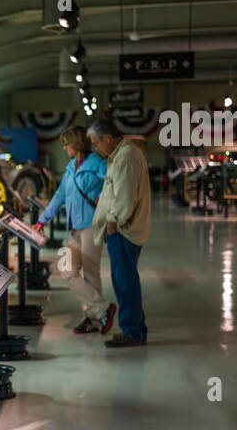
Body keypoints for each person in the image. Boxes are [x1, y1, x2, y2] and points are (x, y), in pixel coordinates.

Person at [36, 126, 113, 334]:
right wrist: (42, 220)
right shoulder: (71, 167)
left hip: (91, 226)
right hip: (73, 229)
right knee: (66, 269)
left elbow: (114, 184)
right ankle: (102, 309)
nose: (63, 147)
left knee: (91, 274)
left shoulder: (98, 162)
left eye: (66, 143)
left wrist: (103, 197)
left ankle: (92, 318)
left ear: (76, 144)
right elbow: (59, 196)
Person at [88, 119, 152, 347]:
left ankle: (132, 332)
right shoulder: (122, 155)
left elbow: (125, 197)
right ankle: (136, 329)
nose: (96, 148)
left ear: (107, 138)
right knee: (125, 280)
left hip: (124, 231)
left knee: (124, 282)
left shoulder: (125, 157)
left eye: (96, 143)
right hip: (124, 230)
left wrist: (113, 223)